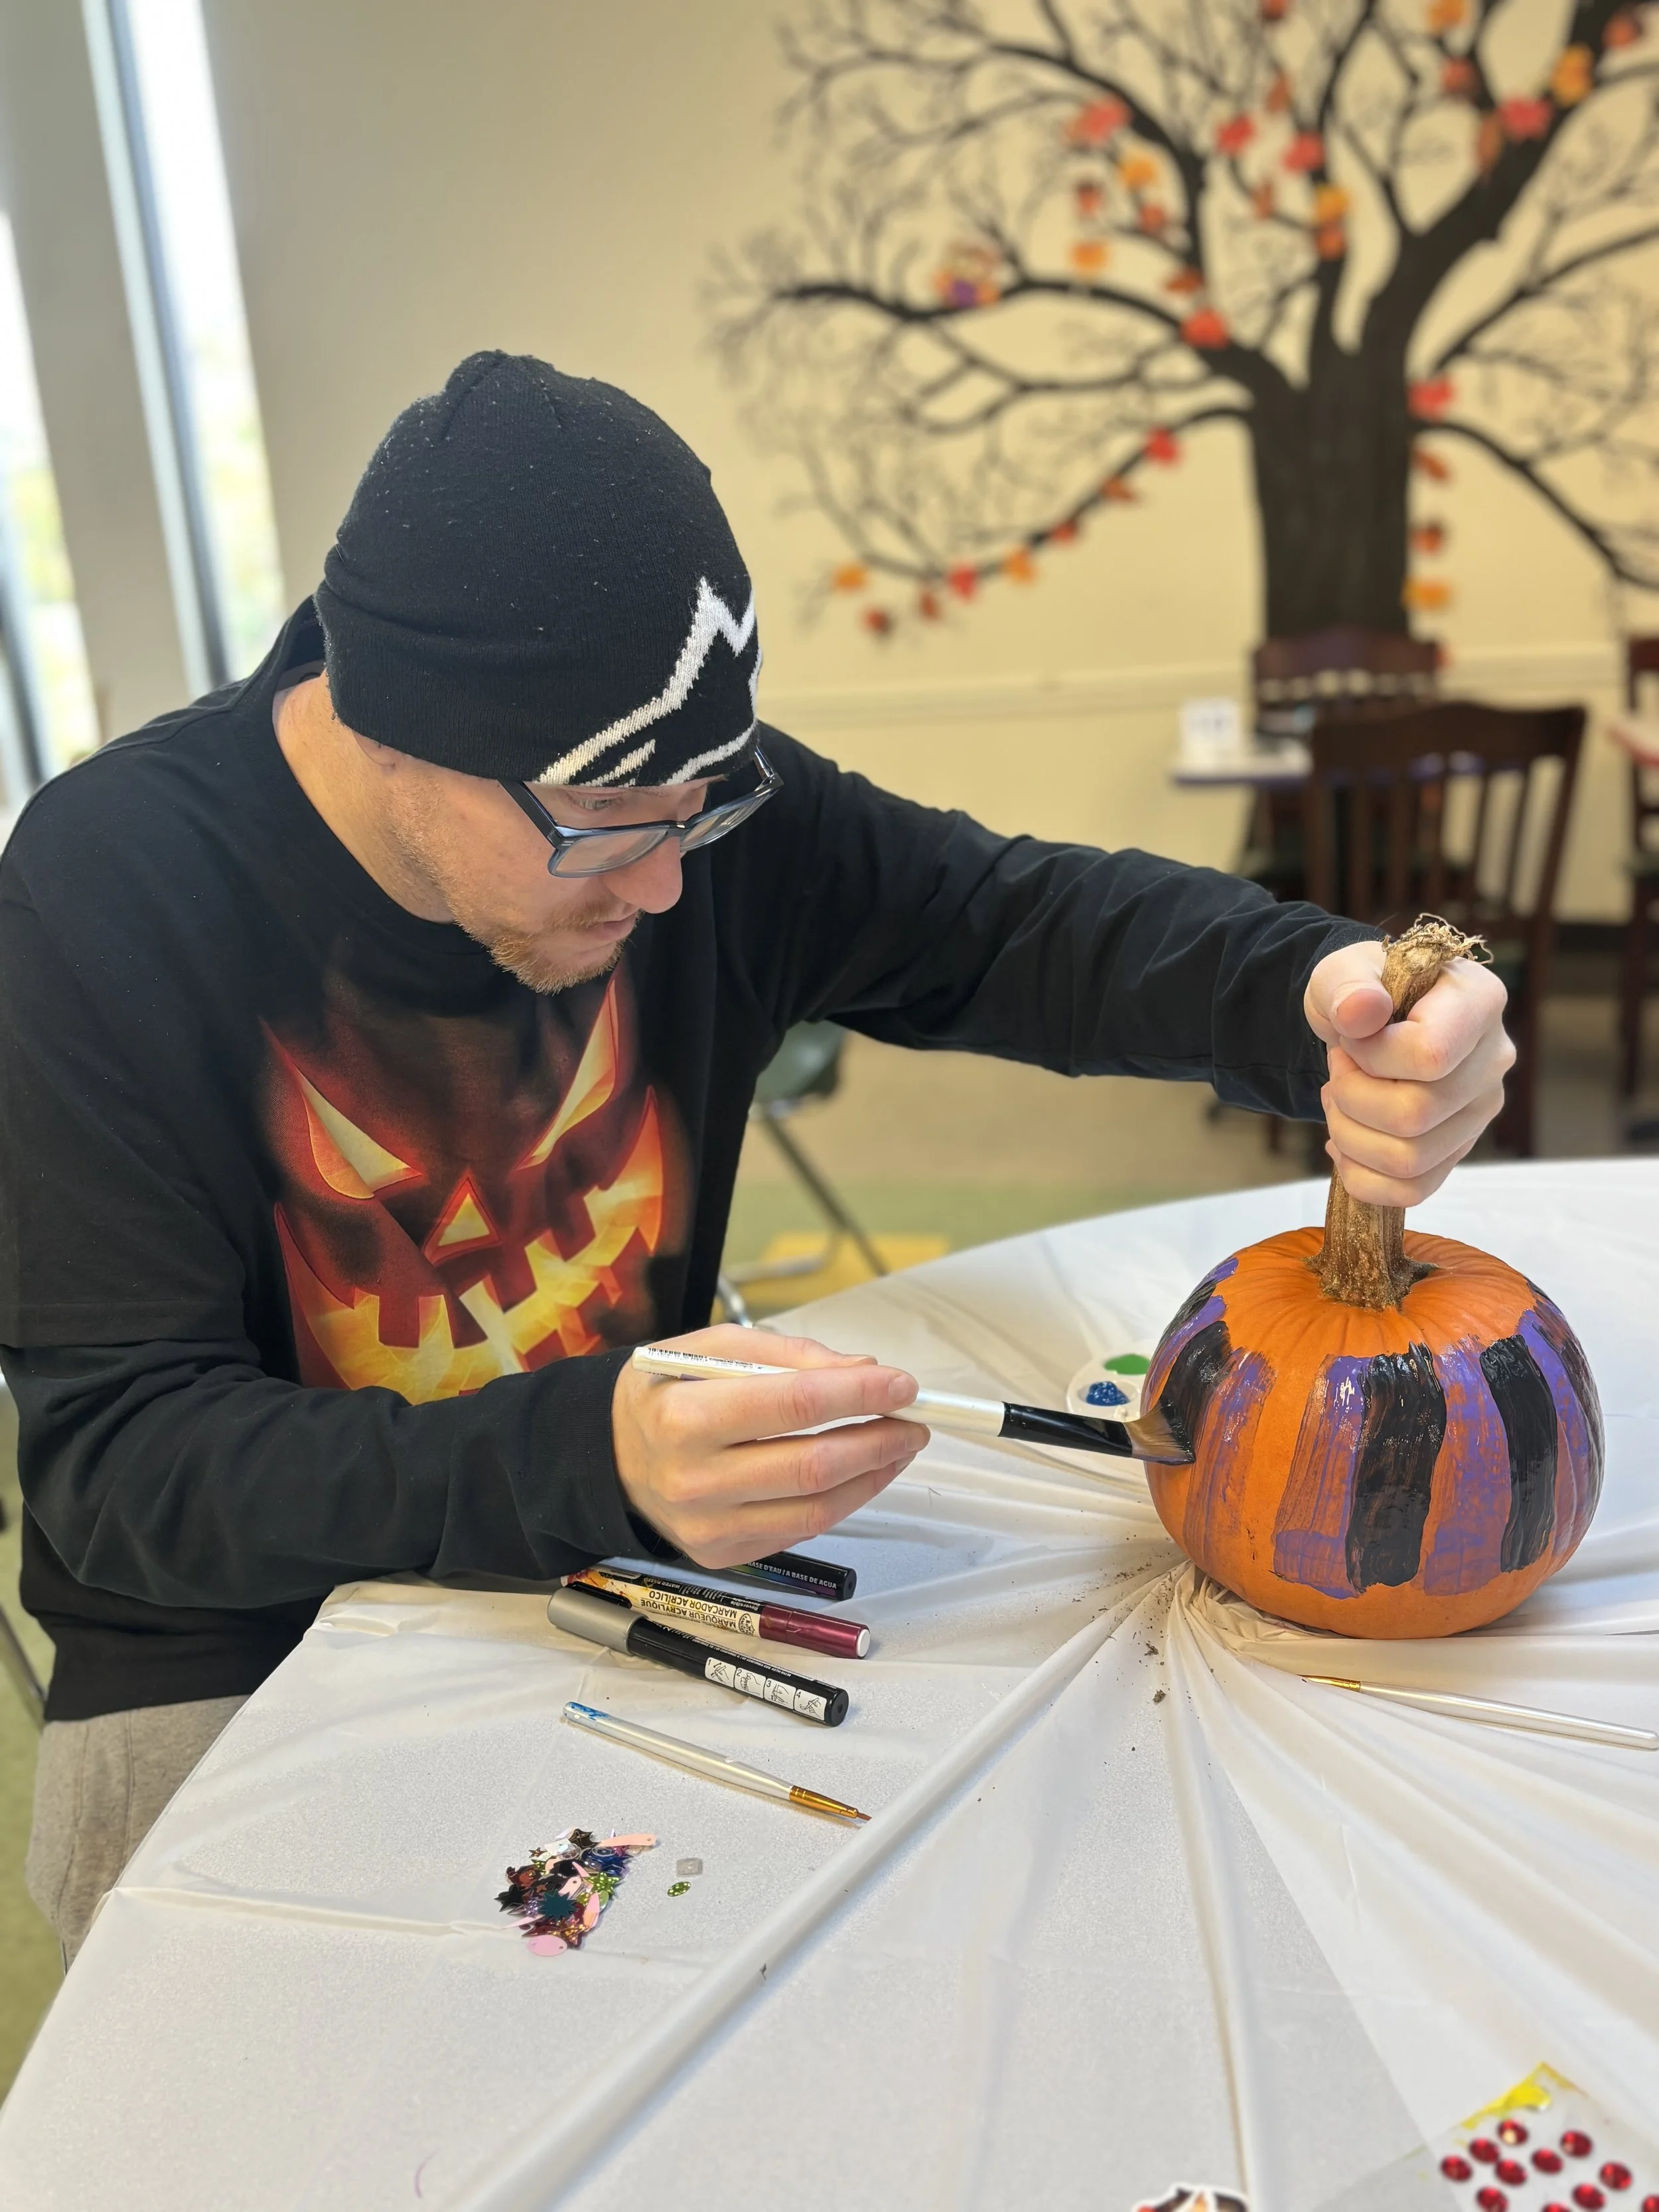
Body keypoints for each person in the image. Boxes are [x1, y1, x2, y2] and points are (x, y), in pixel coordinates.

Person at [0, 353, 1510, 1958]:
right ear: (394, 736)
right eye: (607, 823)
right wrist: (589, 1461)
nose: (665, 888)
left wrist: (1316, 995)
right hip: (239, 1637)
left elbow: (1005, 920)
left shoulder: (661, 800)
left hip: (620, 1558)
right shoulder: (99, 903)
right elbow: (126, 1474)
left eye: (699, 813)